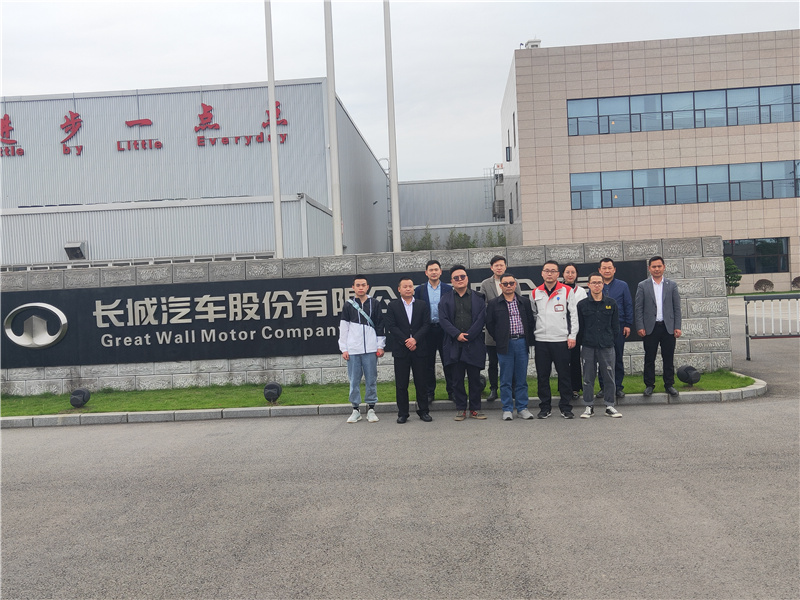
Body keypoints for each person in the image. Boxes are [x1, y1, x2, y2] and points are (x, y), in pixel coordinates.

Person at [439, 264, 488, 421]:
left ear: (467, 278)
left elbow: (481, 318)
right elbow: (443, 320)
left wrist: (469, 335)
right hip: (454, 344)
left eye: (462, 277)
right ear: (452, 281)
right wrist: (457, 334)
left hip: (473, 343)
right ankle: (461, 408)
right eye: (456, 278)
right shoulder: (445, 299)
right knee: (457, 379)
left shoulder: (478, 298)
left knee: (474, 378)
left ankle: (475, 409)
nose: (460, 280)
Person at [531, 260, 579, 419]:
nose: (549, 274)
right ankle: (545, 407)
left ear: (558, 274)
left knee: (564, 375)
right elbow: (533, 315)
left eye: (553, 271)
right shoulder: (535, 292)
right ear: (542, 273)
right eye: (547, 271)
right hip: (542, 340)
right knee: (542, 376)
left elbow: (573, 315)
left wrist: (572, 336)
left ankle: (566, 407)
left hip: (561, 340)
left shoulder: (566, 291)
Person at [485, 272, 536, 420]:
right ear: (501, 286)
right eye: (505, 284)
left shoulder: (524, 302)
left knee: (521, 379)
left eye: (511, 283)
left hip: (521, 343)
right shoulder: (494, 303)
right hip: (505, 344)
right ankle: (507, 409)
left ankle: (522, 408)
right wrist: (500, 338)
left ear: (515, 285)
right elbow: (490, 324)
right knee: (506, 378)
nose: (508, 286)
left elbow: (530, 322)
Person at [338, 275, 386, 423]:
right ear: (353, 287)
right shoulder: (348, 305)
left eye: (363, 285)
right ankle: (355, 409)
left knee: (371, 379)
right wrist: (344, 348)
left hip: (371, 349)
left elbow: (380, 325)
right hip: (353, 350)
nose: (360, 287)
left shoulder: (375, 303)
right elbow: (344, 327)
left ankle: (371, 408)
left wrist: (380, 345)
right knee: (354, 381)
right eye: (358, 285)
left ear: (367, 287)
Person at [384, 277, 432, 424]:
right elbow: (392, 326)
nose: (408, 289)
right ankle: (403, 413)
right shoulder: (393, 306)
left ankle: (424, 411)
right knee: (401, 384)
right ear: (399, 289)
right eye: (405, 286)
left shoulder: (422, 305)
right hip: (401, 350)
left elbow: (426, 325)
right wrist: (407, 341)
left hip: (419, 349)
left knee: (421, 382)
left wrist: (415, 339)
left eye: (410, 286)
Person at [634, 256, 682, 397]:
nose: (657, 269)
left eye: (659, 266)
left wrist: (677, 326)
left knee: (668, 358)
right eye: (654, 267)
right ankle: (649, 385)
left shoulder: (671, 285)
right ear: (649, 268)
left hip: (668, 327)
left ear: (664, 267)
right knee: (650, 358)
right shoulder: (643, 285)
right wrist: (640, 326)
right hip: (650, 327)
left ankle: (669, 384)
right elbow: (638, 308)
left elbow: (677, 307)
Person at [577, 272, 622, 418]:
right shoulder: (582, 305)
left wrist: (610, 340)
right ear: (588, 285)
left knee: (609, 376)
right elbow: (580, 327)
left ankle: (610, 405)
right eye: (594, 283)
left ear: (603, 285)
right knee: (588, 377)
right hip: (588, 346)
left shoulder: (611, 303)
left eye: (599, 283)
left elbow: (615, 327)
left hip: (606, 346)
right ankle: (588, 406)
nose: (597, 285)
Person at [414, 260, 454, 404]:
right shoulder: (420, 290)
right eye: (431, 270)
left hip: (445, 330)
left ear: (440, 272)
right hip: (427, 330)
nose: (434, 272)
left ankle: (452, 391)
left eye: (436, 269)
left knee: (448, 362)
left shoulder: (448, 289)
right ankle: (429, 393)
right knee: (428, 364)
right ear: (426, 273)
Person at [597, 257, 634, 400]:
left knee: (617, 358)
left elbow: (628, 305)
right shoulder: (596, 285)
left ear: (614, 270)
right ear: (599, 270)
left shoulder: (622, 285)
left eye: (609, 268)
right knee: (602, 359)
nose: (607, 270)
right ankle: (603, 387)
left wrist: (628, 324)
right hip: (601, 329)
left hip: (618, 327)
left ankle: (618, 387)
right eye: (604, 268)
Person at [480, 255, 508, 401]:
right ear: (492, 268)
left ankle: (509, 388)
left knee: (508, 362)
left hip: (509, 330)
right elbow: (483, 305)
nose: (499, 268)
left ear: (505, 266)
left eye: (501, 265)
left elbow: (518, 301)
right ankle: (493, 389)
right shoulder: (486, 284)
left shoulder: (512, 281)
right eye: (496, 265)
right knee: (493, 363)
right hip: (492, 330)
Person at [562, 262, 587, 400]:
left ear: (577, 274)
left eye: (573, 272)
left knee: (575, 360)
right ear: (563, 274)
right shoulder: (559, 289)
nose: (570, 275)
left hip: (576, 331)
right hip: (560, 330)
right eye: (567, 272)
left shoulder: (581, 291)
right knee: (562, 362)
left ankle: (575, 388)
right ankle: (564, 388)